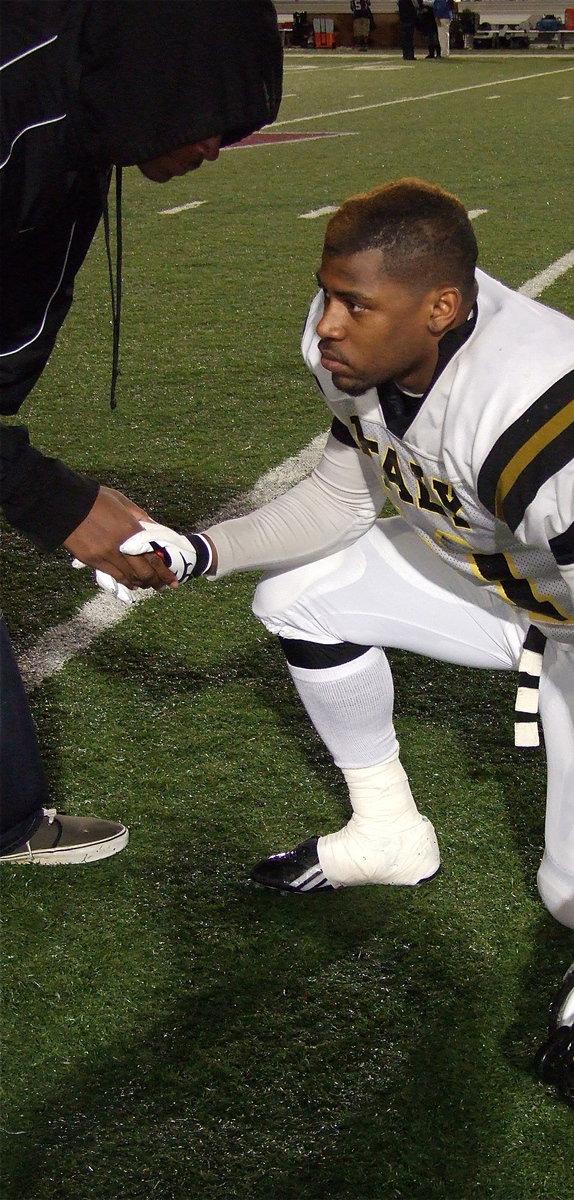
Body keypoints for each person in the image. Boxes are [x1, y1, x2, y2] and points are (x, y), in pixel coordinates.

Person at [104, 179, 574, 962]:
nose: (328, 325)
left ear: (440, 309)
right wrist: (199, 551)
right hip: (509, 580)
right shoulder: (365, 336)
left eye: (354, 306)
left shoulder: (541, 416)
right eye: (326, 295)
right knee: (298, 597)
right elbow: (340, 501)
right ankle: (387, 831)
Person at [0, 0, 283, 866]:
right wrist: (56, 501)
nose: (216, 144)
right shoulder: (17, 110)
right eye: (210, 114)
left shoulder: (83, 103)